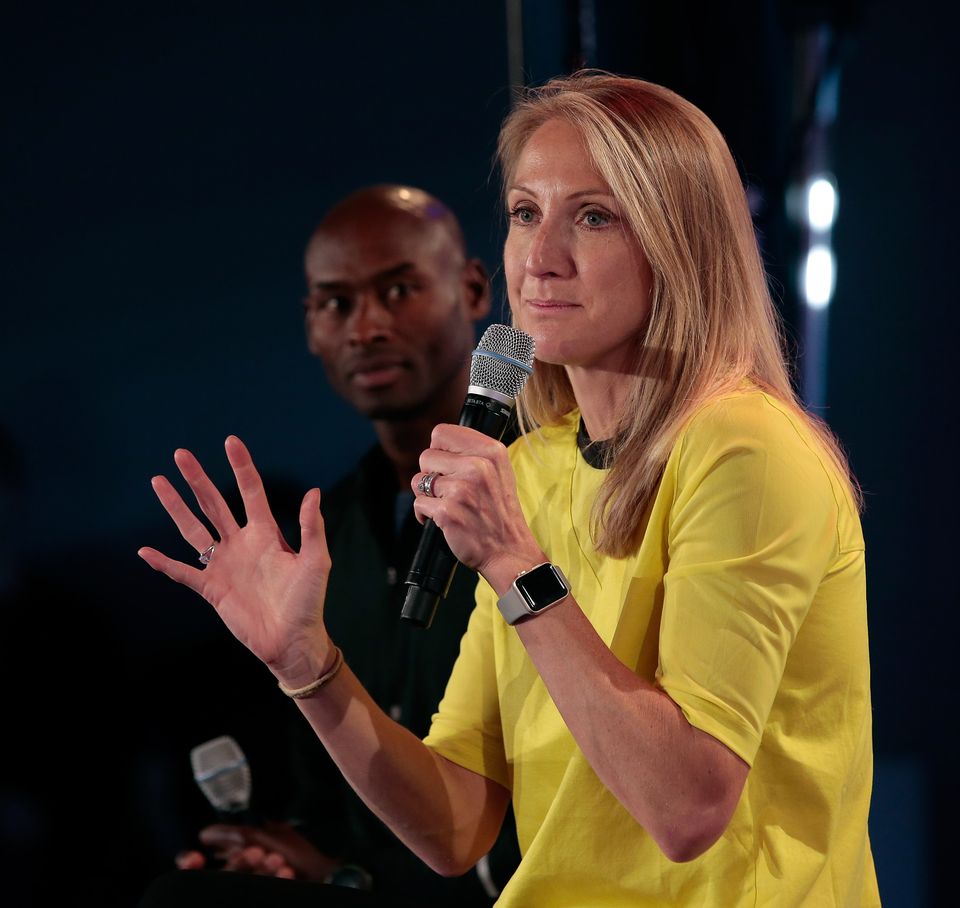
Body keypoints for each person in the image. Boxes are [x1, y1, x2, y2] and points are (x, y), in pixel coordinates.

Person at [140, 72, 880, 906]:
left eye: (593, 217)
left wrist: (514, 564)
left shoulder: (744, 448)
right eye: (527, 212)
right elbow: (455, 828)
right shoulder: (532, 467)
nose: (541, 257)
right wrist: (308, 664)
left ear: (679, 243)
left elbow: (689, 809)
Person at [164, 185, 518, 902]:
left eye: (399, 290)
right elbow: (327, 799)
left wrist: (350, 877)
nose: (367, 328)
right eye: (336, 304)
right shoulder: (328, 530)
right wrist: (294, 856)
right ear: (310, 326)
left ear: (474, 290)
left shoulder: (541, 499)